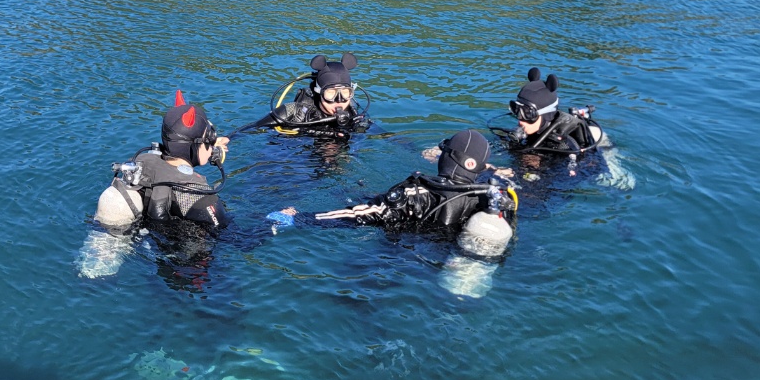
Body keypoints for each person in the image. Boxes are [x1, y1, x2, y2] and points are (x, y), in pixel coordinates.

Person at [311, 129, 515, 233]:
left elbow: (362, 215)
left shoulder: (420, 193)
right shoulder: (491, 200)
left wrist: (303, 218)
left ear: (448, 157)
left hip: (405, 259)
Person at [95, 91, 231, 232]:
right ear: (196, 145)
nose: (212, 142)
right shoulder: (202, 198)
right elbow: (236, 241)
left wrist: (208, 145)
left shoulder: (140, 163)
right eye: (209, 137)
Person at [502, 68, 604, 175]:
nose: (521, 120)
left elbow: (569, 177)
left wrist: (536, 166)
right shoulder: (529, 132)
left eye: (528, 114)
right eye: (517, 110)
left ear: (546, 115)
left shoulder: (564, 146)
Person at [259, 53, 370, 135]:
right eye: (331, 93)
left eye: (345, 93)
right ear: (318, 92)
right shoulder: (293, 112)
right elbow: (251, 131)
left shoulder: (354, 116)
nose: (339, 100)